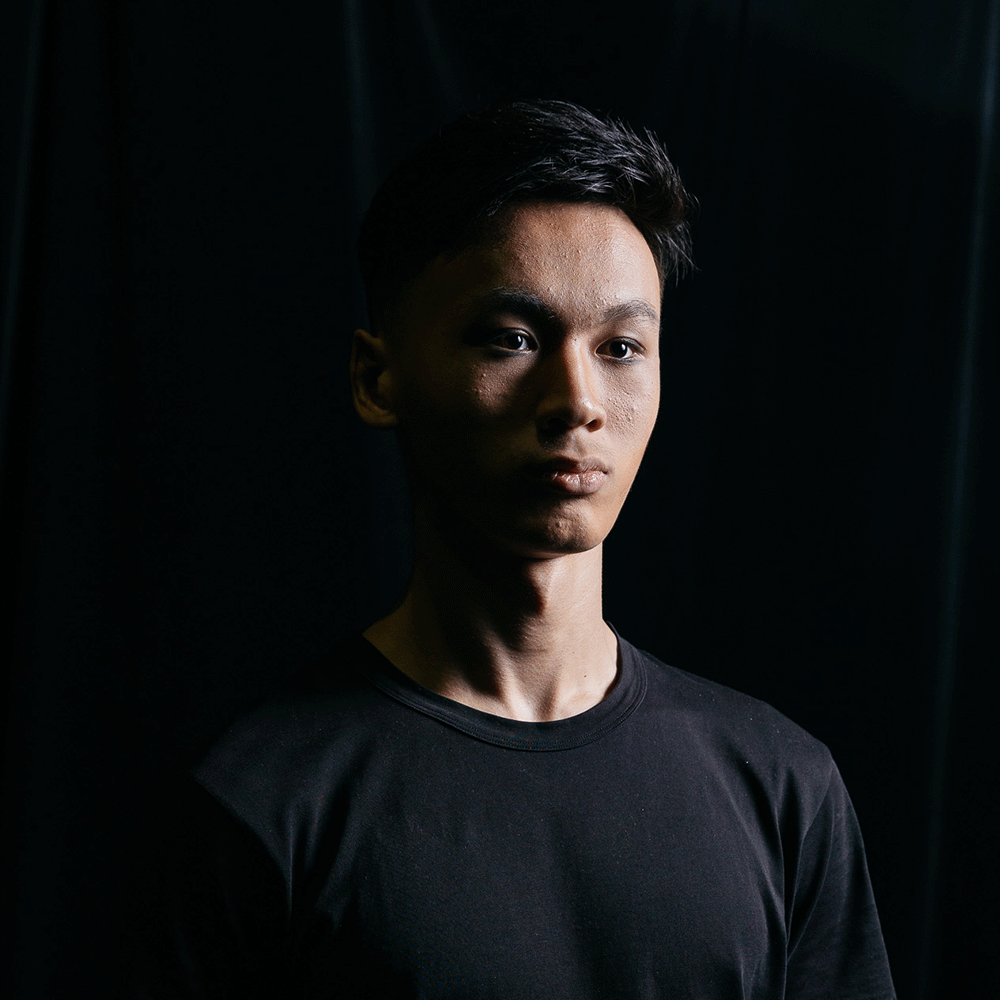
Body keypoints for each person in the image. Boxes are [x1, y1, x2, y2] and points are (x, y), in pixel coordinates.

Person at [133, 100, 896, 999]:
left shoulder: (783, 787)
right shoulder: (256, 803)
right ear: (378, 378)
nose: (578, 401)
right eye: (513, 339)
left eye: (621, 347)